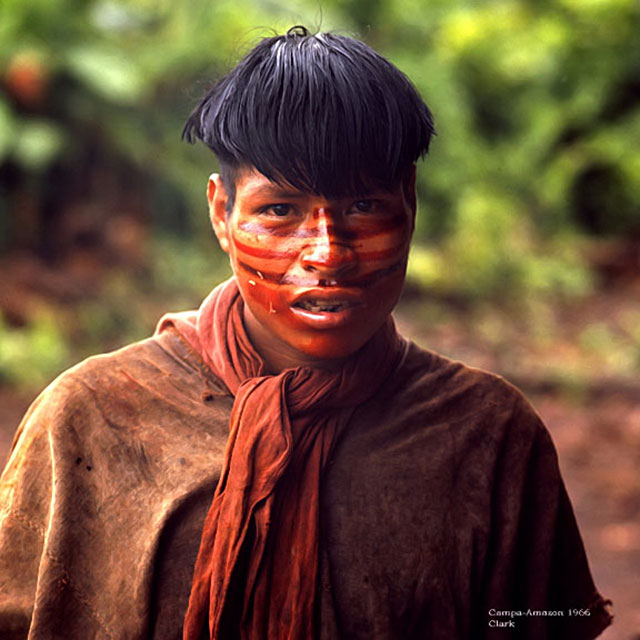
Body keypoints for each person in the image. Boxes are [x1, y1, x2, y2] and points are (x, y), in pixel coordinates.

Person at [0, 26, 612, 640]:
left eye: (363, 207)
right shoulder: (93, 418)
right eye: (279, 210)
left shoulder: (486, 434)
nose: (327, 252)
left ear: (411, 204)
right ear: (221, 212)